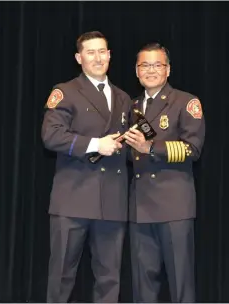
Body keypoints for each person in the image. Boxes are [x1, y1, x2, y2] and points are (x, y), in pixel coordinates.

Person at [41, 31, 131, 303]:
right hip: (74, 198)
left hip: (112, 199)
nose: (98, 58)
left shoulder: (124, 98)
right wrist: (95, 144)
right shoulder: (65, 92)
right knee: (62, 275)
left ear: (110, 55)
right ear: (79, 58)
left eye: (102, 51)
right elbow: (51, 136)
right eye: (90, 52)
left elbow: (124, 145)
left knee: (109, 277)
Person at [124, 43, 206, 302]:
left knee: (180, 284)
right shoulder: (131, 106)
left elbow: (192, 149)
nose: (151, 71)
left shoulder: (186, 101)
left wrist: (151, 147)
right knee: (143, 285)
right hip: (139, 206)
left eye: (157, 65)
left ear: (168, 69)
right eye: (144, 65)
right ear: (136, 71)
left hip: (174, 206)